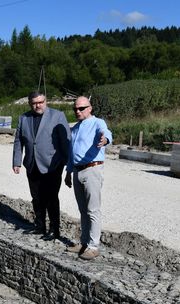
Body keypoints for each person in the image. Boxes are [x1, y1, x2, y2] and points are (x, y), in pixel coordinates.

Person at [12, 91, 70, 240]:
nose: (38, 105)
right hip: (32, 164)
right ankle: (39, 226)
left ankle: (54, 229)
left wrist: (67, 163)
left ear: (46, 101)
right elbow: (19, 141)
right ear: (30, 103)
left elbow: (65, 141)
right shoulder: (24, 118)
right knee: (36, 197)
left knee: (51, 197)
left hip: (52, 165)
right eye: (34, 103)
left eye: (40, 102)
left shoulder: (58, 116)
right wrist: (17, 161)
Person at [64, 96, 112, 260]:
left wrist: (105, 140)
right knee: (83, 210)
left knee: (93, 209)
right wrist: (68, 172)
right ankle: (84, 242)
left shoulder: (98, 123)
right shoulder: (75, 128)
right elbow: (71, 153)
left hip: (92, 169)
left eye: (81, 108)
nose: (78, 111)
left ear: (90, 108)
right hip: (77, 171)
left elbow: (106, 133)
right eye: (75, 109)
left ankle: (93, 246)